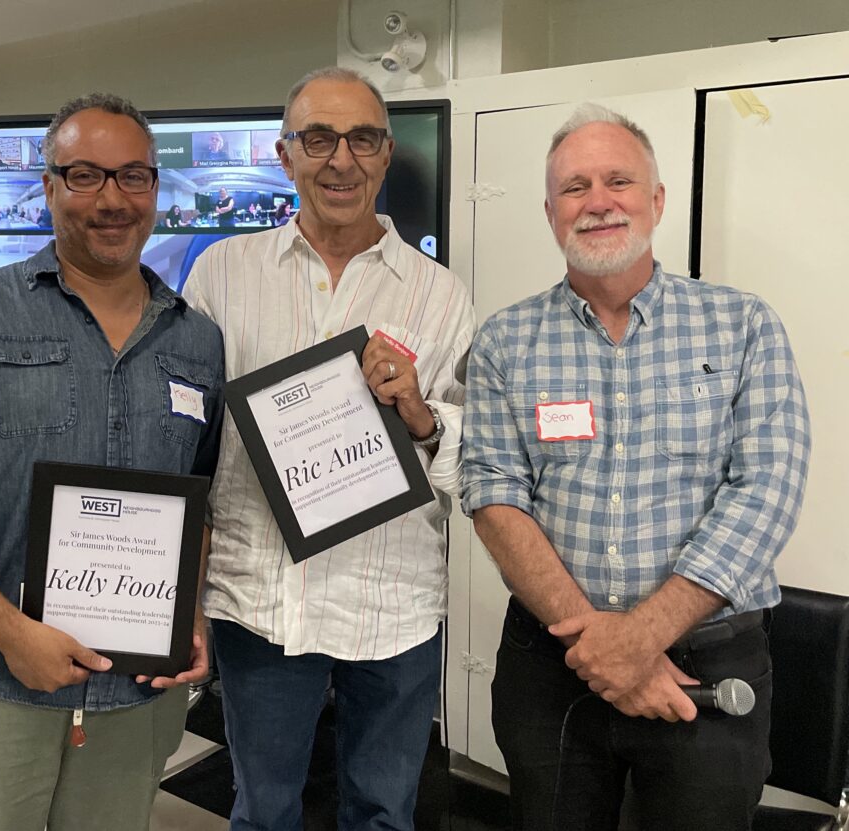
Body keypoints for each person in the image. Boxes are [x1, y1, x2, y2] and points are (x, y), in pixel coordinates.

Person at [0, 93, 225, 830]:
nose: (112, 199)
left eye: (132, 176)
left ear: (156, 188)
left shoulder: (197, 341)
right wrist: (12, 633)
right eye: (85, 174)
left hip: (133, 697)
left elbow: (199, 496)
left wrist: (187, 608)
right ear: (49, 185)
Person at [461, 103, 811, 831]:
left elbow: (768, 489)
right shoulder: (505, 340)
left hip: (708, 664)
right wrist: (602, 649)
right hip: (552, 672)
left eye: (618, 180)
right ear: (550, 212)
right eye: (574, 186)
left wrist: (639, 639)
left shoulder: (743, 325)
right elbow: (494, 496)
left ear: (656, 199)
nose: (597, 201)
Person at [182, 66, 475, 831]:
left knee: (383, 814)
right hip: (260, 601)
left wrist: (420, 414)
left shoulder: (440, 293)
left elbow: (473, 457)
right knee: (263, 811)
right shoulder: (220, 274)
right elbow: (189, 437)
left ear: (385, 154)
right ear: (286, 155)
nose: (341, 159)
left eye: (363, 139)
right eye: (318, 138)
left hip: (393, 601)